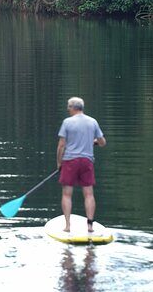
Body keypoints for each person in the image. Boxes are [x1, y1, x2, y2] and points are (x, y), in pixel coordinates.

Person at [57, 97, 106, 233]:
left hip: (70, 161)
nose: (67, 109)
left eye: (68, 107)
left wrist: (59, 163)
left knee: (67, 194)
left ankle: (67, 226)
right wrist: (93, 142)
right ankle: (90, 226)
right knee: (89, 194)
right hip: (87, 161)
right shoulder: (92, 122)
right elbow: (102, 142)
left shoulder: (67, 122)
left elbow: (61, 145)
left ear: (73, 107)